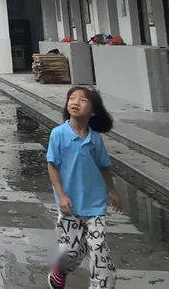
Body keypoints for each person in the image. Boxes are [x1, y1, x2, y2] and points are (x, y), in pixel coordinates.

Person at [46, 86, 121, 289]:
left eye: (83, 100)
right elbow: (51, 166)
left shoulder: (95, 138)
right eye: (71, 98)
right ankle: (60, 269)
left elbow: (104, 167)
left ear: (93, 111)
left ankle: (102, 285)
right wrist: (61, 196)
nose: (75, 102)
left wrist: (112, 191)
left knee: (98, 249)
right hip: (69, 204)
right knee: (71, 251)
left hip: (95, 203)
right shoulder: (58, 134)